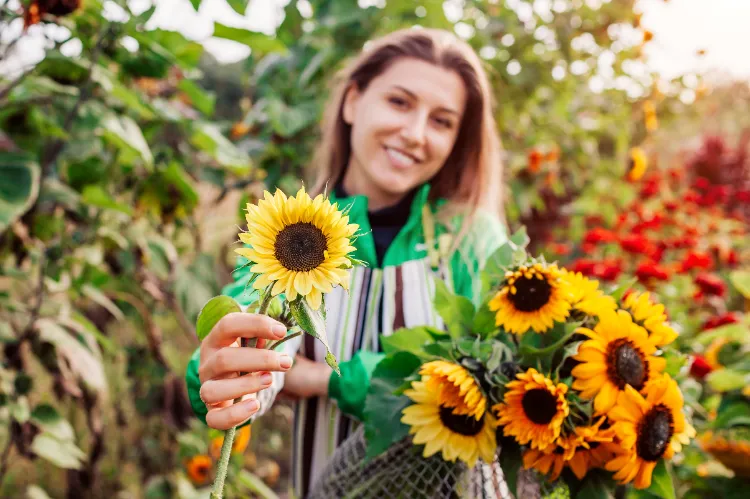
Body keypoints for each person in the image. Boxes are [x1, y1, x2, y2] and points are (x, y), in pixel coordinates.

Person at [185, 27, 508, 497]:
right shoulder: (292, 233)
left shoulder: (470, 238)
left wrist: (325, 380)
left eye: (442, 121)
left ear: (458, 140)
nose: (415, 134)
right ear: (353, 102)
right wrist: (224, 371)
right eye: (399, 102)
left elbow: (492, 372)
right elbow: (254, 321)